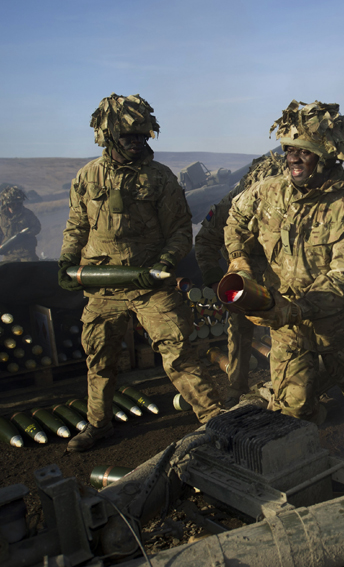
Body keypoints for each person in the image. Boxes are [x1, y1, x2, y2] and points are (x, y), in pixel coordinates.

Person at [59, 93, 223, 452]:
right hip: (103, 284)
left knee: (178, 351)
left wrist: (165, 263)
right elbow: (76, 225)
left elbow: (181, 230)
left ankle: (216, 421)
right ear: (110, 137)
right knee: (99, 357)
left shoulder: (160, 178)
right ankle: (99, 425)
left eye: (143, 137)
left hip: (151, 283)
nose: (137, 143)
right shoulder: (87, 176)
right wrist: (67, 260)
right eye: (129, 137)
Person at [224, 100, 344, 424]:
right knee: (293, 412)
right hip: (286, 327)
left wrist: (295, 309)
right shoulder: (269, 192)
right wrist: (239, 260)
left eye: (303, 151)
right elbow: (235, 216)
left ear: (327, 156)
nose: (292, 158)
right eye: (289, 149)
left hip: (338, 329)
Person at [193, 152, 284, 402]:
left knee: (287, 332)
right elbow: (204, 241)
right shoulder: (231, 203)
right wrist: (215, 281)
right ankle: (237, 388)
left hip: (281, 277)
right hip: (245, 277)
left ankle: (286, 389)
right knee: (240, 332)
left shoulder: (293, 202)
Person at [0, 186, 41, 262]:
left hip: (26, 253)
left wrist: (26, 235)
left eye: (18, 203)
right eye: (14, 203)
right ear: (8, 204)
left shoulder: (27, 214)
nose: (17, 205)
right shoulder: (0, 217)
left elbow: (37, 227)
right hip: (9, 254)